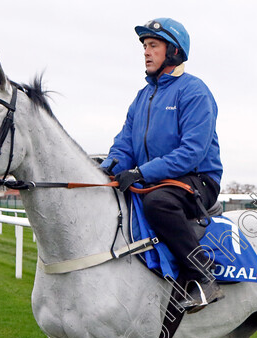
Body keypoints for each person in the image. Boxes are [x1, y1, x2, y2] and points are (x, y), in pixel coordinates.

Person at [101, 18, 224, 313]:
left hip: (197, 179)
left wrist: (141, 173)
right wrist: (106, 169)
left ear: (173, 51)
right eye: (145, 46)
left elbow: (191, 152)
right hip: (156, 180)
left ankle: (203, 274)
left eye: (153, 45)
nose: (146, 51)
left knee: (157, 204)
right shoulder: (141, 97)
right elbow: (124, 146)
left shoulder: (195, 92)